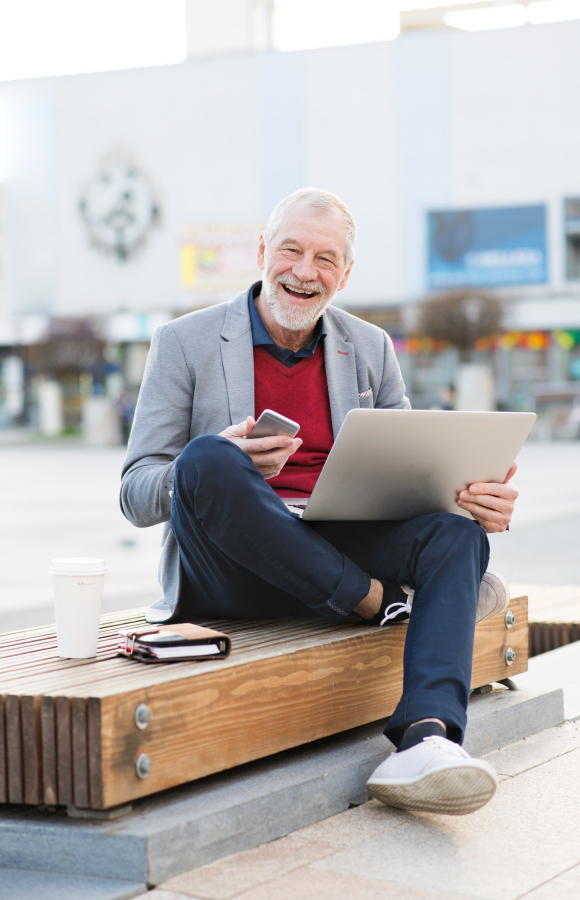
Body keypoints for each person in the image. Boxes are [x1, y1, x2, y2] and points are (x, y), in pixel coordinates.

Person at [121, 188, 518, 816]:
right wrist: (207, 470)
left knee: (458, 536)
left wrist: (465, 497)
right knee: (205, 457)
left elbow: (409, 471)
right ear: (261, 252)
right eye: (292, 251)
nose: (306, 272)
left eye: (326, 259)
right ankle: (375, 601)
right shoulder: (184, 342)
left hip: (336, 544)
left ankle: (427, 739)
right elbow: (135, 491)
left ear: (346, 273)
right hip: (233, 571)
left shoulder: (369, 347)